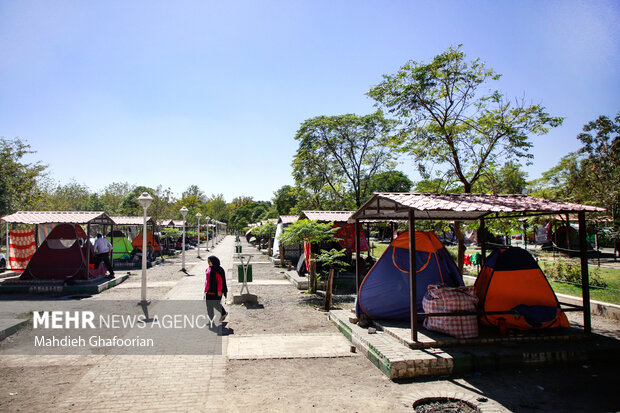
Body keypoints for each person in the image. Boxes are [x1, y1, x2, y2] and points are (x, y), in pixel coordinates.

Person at [204, 255, 228, 326]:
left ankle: (223, 312)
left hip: (216, 291)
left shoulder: (218, 270)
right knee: (209, 307)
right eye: (208, 261)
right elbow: (207, 280)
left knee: (216, 304)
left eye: (210, 261)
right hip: (208, 290)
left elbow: (220, 281)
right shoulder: (208, 269)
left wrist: (220, 291)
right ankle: (211, 321)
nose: (208, 262)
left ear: (214, 261)